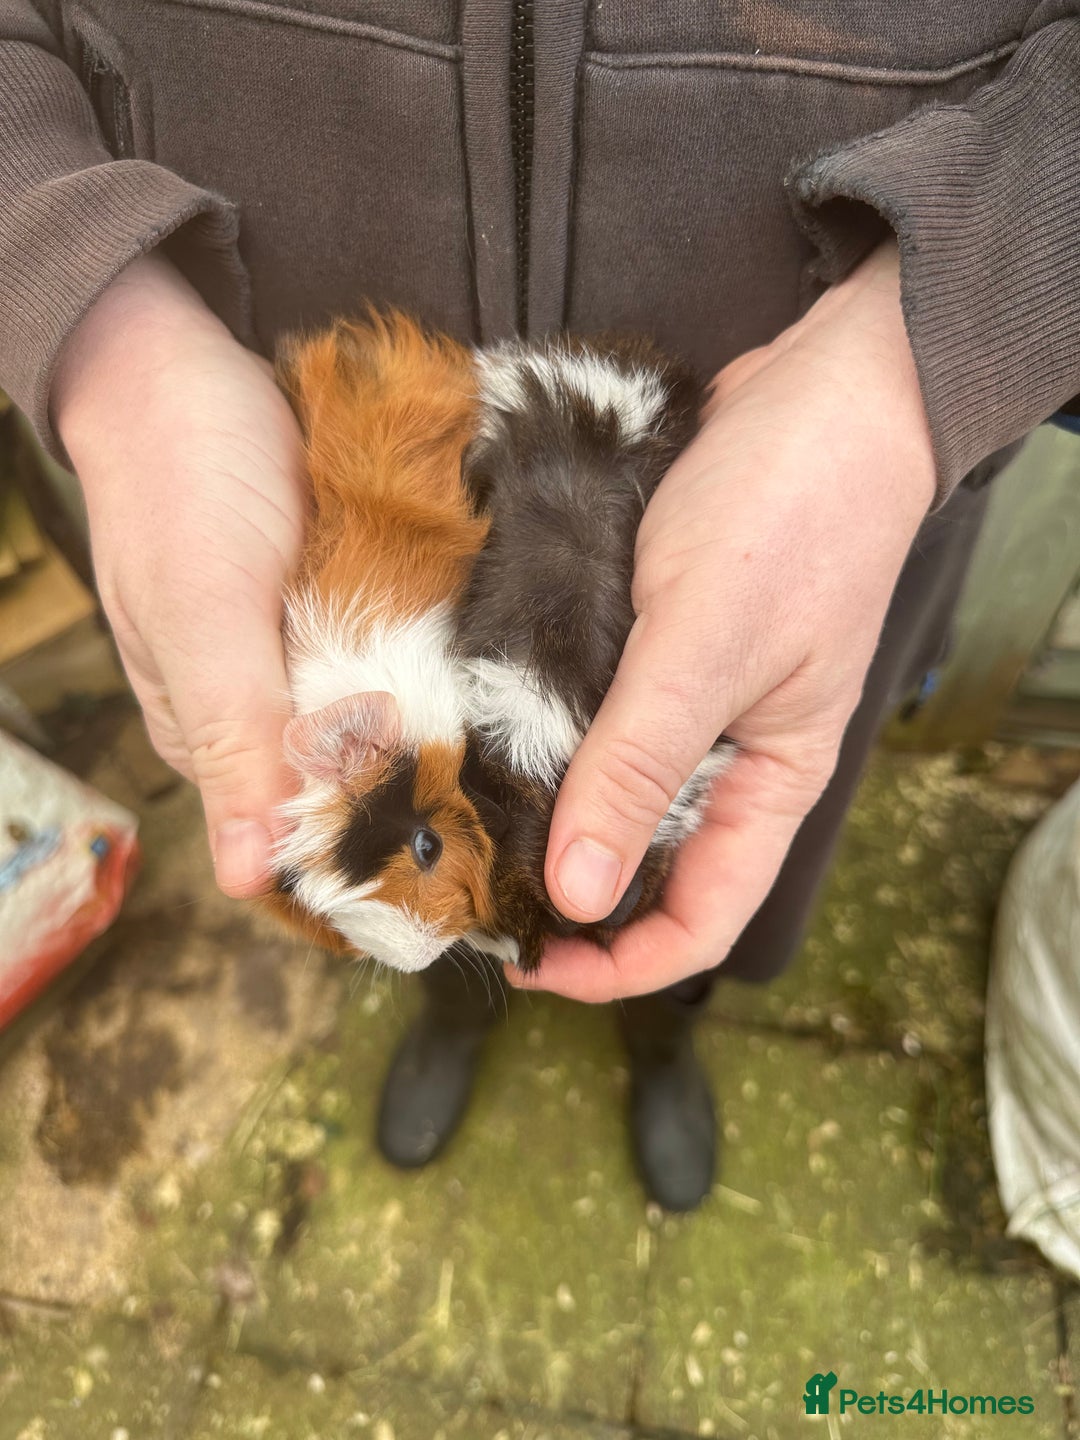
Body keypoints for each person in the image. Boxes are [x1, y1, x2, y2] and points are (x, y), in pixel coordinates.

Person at [3, 1, 1078, 1211]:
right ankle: (458, 1016)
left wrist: (925, 349)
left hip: (793, 493)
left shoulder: (409, 752)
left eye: (420, 852)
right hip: (260, 392)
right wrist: (103, 325)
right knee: (488, 928)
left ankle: (667, 1036)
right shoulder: (394, 752)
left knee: (689, 882)